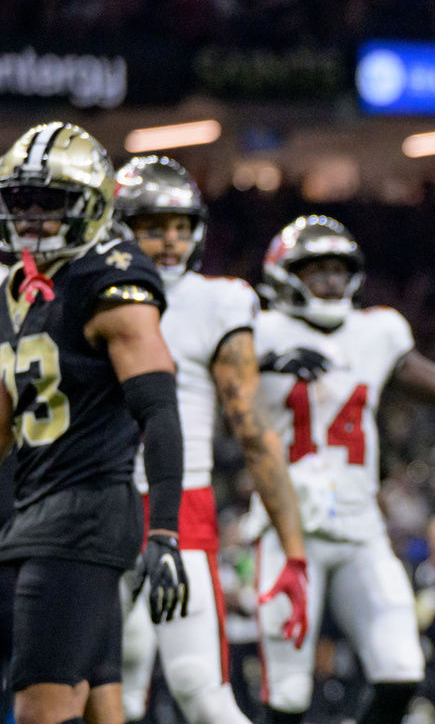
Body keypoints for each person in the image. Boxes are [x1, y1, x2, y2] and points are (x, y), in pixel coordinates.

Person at [248, 214, 435, 724]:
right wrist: (264, 362)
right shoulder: (257, 330)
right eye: (317, 269)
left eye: (339, 268)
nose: (331, 280)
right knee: (288, 692)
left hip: (360, 527)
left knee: (402, 668)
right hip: (287, 528)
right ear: (284, 273)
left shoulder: (376, 331)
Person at [0, 123, 188, 724]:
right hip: (33, 507)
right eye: (19, 200)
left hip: (83, 512)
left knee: (41, 709)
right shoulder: (18, 284)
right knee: (100, 703)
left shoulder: (110, 281)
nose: (30, 217)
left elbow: (158, 406)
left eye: (49, 201)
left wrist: (165, 530)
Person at [111, 155, 310, 724]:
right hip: (93, 502)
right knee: (101, 685)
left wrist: (293, 554)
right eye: (153, 227)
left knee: (199, 685)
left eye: (180, 227)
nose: (170, 242)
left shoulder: (215, 300)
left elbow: (253, 430)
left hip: (180, 509)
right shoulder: (82, 291)